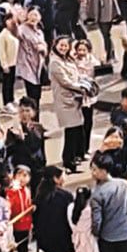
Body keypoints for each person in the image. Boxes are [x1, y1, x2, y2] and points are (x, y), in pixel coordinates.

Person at [33, 167, 76, 252]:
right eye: (63, 175)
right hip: (61, 240)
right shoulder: (66, 197)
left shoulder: (40, 194)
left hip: (42, 239)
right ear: (56, 179)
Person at [48, 36, 85, 171]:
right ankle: (68, 161)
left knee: (76, 130)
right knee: (70, 131)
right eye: (61, 45)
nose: (63, 48)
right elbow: (65, 81)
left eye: (66, 46)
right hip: (64, 100)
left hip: (74, 99)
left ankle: (74, 158)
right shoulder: (55, 62)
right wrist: (81, 87)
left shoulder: (68, 59)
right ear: (56, 45)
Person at [5, 165, 33, 252]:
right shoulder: (12, 191)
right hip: (15, 227)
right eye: (19, 175)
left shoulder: (26, 190)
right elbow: (9, 207)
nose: (22, 178)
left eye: (25, 175)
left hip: (25, 227)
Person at [15, 6, 48, 105]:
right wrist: (16, 19)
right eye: (31, 14)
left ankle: (36, 118)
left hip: (38, 66)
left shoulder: (40, 32)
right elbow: (15, 32)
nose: (33, 17)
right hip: (27, 67)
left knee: (37, 95)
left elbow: (45, 50)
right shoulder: (22, 29)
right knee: (32, 95)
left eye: (36, 15)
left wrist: (43, 49)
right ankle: (33, 118)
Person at [0, 13, 19, 110]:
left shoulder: (14, 32)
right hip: (7, 63)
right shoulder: (3, 34)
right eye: (8, 19)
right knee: (6, 83)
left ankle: (11, 98)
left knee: (12, 82)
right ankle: (6, 102)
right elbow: (1, 51)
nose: (11, 21)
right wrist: (4, 64)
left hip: (14, 62)